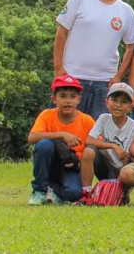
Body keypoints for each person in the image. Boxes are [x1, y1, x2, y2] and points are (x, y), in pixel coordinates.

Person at [53, 0, 134, 118]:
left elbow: (131, 47)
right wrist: (59, 68)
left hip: (104, 83)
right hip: (72, 77)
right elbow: (61, 32)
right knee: (64, 127)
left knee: (98, 130)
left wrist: (119, 76)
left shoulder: (127, 11)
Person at [27, 75, 95, 205]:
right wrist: (62, 135)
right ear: (54, 99)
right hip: (51, 163)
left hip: (72, 166)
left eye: (72, 96)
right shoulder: (46, 115)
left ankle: (53, 191)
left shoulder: (87, 121)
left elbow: (95, 145)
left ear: (79, 99)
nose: (68, 101)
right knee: (44, 144)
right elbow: (32, 138)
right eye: (62, 96)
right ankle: (40, 190)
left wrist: (78, 162)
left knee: (75, 194)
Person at [80, 82, 134, 198]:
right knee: (89, 151)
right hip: (105, 164)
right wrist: (113, 146)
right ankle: (86, 192)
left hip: (121, 169)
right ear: (107, 102)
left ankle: (121, 192)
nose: (118, 105)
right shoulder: (104, 119)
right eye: (114, 100)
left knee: (116, 196)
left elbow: (127, 157)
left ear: (130, 106)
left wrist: (119, 183)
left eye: (124, 102)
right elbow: (89, 140)